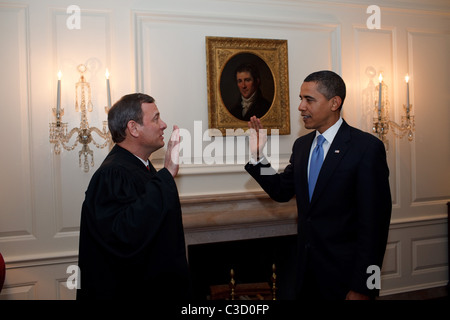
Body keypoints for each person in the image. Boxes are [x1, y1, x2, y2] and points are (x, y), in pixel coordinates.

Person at [245, 70, 392, 300]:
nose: (301, 107)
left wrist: (365, 286)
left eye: (309, 100)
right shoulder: (302, 146)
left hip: (347, 280)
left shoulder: (366, 148)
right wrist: (257, 157)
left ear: (335, 103)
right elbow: (282, 190)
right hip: (306, 275)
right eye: (300, 99)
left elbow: (375, 227)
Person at [77, 93, 191, 300]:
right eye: (156, 118)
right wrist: (167, 174)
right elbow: (123, 236)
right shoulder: (112, 174)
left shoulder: (143, 168)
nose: (163, 124)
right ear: (133, 128)